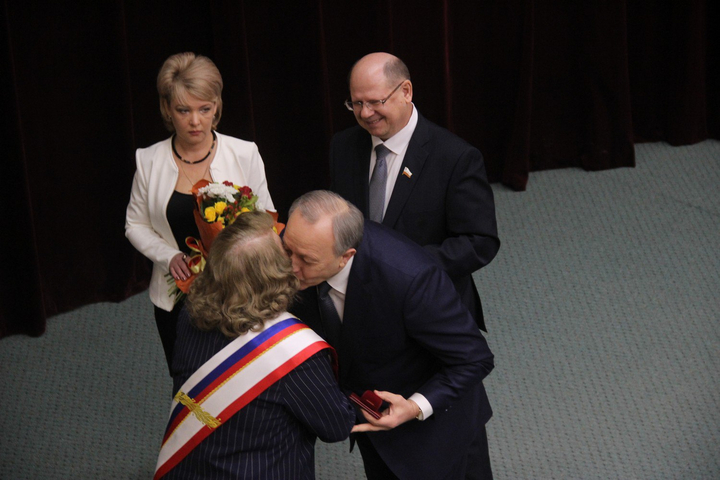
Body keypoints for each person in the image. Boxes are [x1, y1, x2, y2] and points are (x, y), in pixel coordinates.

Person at [283, 191, 495, 480]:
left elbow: (474, 359)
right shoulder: (303, 251)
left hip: (433, 436)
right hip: (372, 423)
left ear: (346, 256)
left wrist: (414, 407)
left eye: (305, 260)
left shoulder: (411, 280)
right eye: (287, 251)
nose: (290, 267)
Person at [155, 211, 355, 479]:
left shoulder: (189, 314)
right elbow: (336, 426)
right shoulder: (296, 356)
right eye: (284, 252)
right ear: (274, 278)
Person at [125, 52, 275, 373]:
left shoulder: (244, 153)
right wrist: (169, 257)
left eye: (204, 109)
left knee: (242, 379)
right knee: (187, 379)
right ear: (167, 109)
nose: (195, 121)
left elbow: (267, 219)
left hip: (238, 293)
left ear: (216, 106)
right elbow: (134, 224)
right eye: (184, 110)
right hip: (175, 297)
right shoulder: (148, 161)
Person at [330, 52, 500, 333]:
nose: (365, 113)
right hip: (360, 301)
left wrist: (403, 269)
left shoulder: (454, 157)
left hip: (429, 303)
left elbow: (479, 242)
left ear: (405, 91)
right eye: (356, 103)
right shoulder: (344, 146)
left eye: (375, 102)